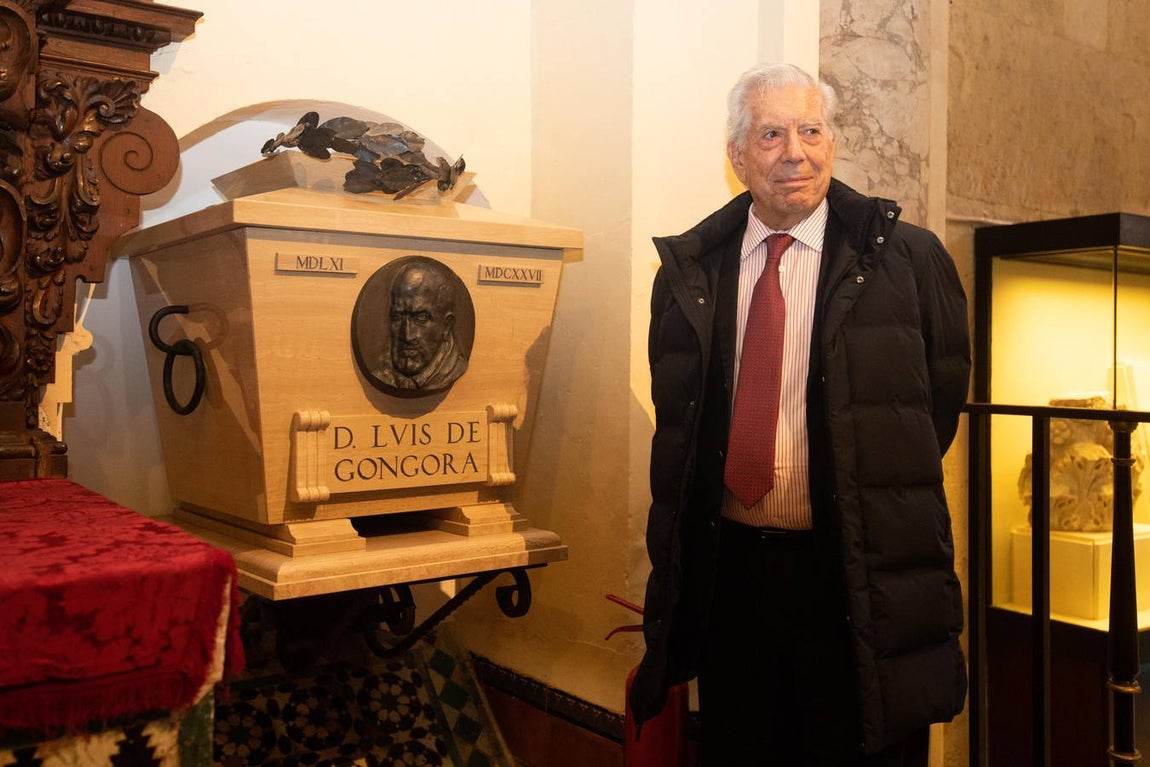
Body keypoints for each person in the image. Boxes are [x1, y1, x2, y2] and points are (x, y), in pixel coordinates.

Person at [631, 62, 970, 766]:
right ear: (736, 155)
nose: (796, 151)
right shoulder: (693, 272)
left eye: (812, 130)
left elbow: (934, 409)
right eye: (772, 134)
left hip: (854, 579)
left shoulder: (907, 260)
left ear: (833, 141)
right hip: (734, 583)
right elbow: (684, 427)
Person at [376, 258, 469, 393]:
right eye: (398, 317)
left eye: (421, 318)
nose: (407, 335)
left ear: (447, 326)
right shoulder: (382, 375)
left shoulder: (455, 370)